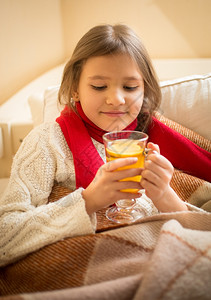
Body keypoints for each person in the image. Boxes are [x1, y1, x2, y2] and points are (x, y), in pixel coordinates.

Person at [0, 24, 210, 267]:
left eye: (130, 87)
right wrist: (88, 201)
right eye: (99, 86)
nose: (116, 99)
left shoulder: (162, 136)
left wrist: (165, 195)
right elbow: (5, 236)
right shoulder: (47, 142)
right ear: (74, 89)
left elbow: (204, 233)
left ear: (144, 90)